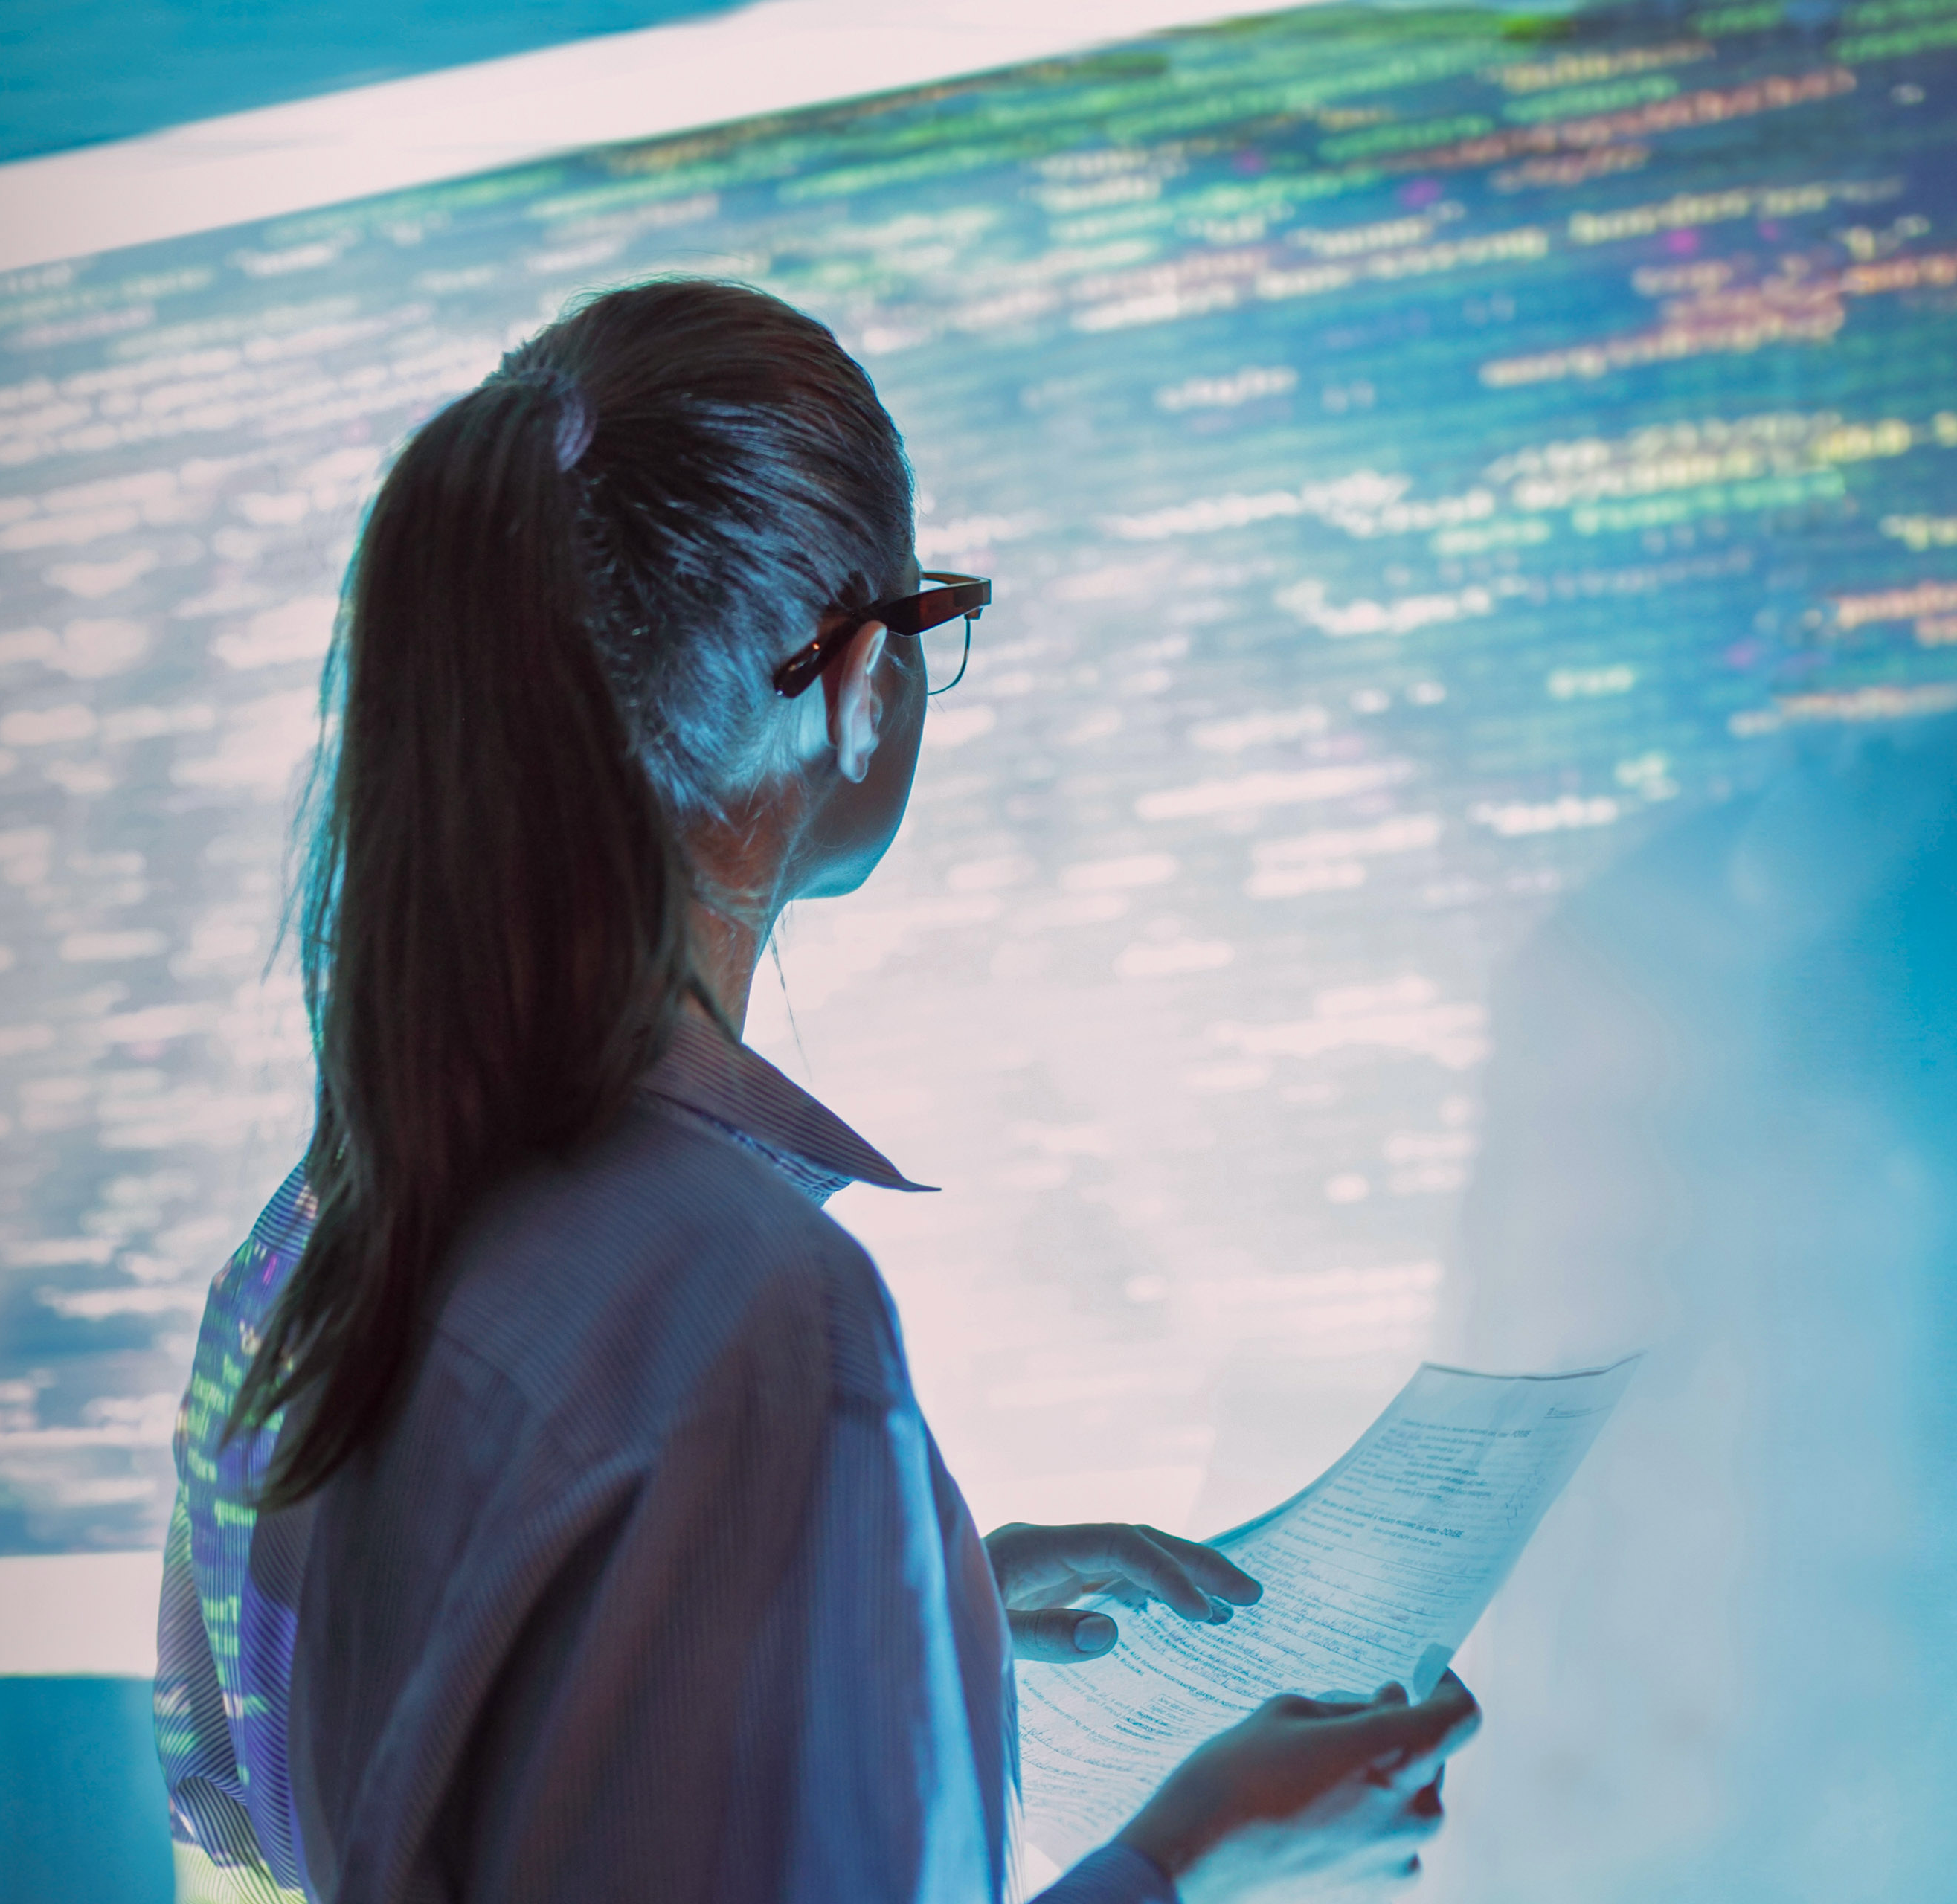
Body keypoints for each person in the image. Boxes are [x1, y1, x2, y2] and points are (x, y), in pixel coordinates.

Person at [152, 279, 1476, 1904]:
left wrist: (910, 1613)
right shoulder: (752, 1319)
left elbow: (345, 1806)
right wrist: (1197, 1849)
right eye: (929, 623)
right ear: (857, 684)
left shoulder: (295, 1271)